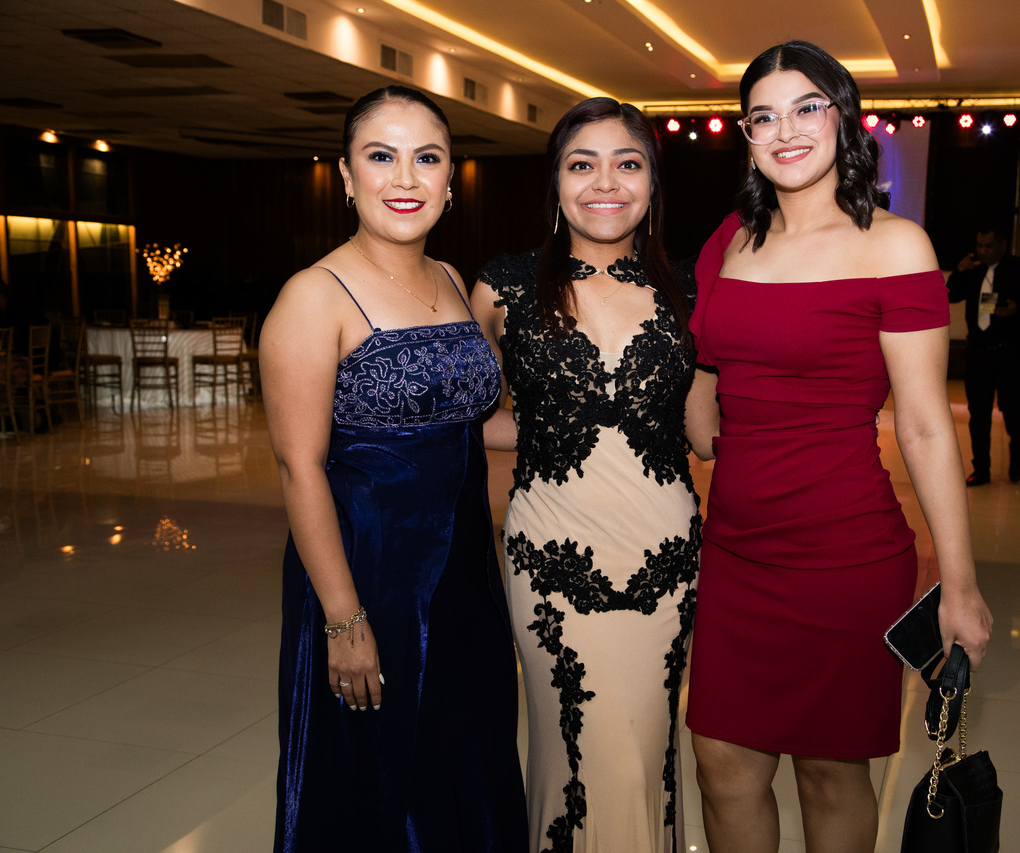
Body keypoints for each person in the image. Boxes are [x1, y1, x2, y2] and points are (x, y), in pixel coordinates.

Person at [683, 41, 993, 853]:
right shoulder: (729, 241)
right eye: (763, 116)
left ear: (844, 118)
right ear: (746, 135)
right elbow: (705, 375)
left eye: (806, 108)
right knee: (720, 762)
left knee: (830, 774)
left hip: (843, 557)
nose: (785, 130)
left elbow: (924, 425)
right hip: (735, 553)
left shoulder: (896, 246)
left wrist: (959, 585)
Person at [260, 85, 527, 852]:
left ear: (450, 179)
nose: (405, 178)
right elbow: (300, 468)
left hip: (465, 577)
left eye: (427, 158)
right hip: (369, 579)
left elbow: (466, 425)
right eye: (382, 156)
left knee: (462, 763)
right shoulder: (313, 296)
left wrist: (587, 427)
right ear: (347, 175)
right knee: (380, 782)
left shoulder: (449, 275)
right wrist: (345, 620)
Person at [470, 98, 701, 852]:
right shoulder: (502, 286)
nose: (605, 182)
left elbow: (703, 430)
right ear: (556, 183)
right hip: (551, 556)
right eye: (582, 164)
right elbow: (473, 419)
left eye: (627, 164)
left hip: (663, 556)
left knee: (642, 752)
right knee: (573, 749)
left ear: (652, 184)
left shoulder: (691, 288)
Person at [946, 223, 1020, 485]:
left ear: (1003, 245)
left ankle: (1017, 452)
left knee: (1011, 407)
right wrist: (959, 272)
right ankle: (981, 468)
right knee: (978, 413)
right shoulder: (973, 270)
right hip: (978, 353)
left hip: (1010, 353)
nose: (983, 251)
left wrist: (1018, 309)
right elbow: (950, 295)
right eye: (979, 245)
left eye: (989, 246)